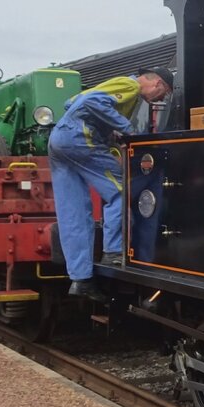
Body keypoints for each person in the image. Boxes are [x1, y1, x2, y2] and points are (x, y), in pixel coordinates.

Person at [49, 67, 173, 302]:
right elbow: (92, 102)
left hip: (59, 139)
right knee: (121, 191)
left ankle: (80, 279)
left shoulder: (115, 85)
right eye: (163, 93)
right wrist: (127, 131)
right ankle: (113, 252)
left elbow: (70, 102)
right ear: (158, 83)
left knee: (72, 211)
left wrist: (109, 135)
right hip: (79, 138)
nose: (160, 99)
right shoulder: (130, 85)